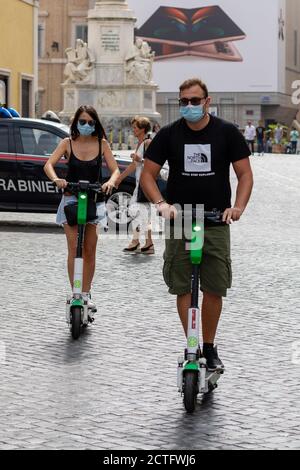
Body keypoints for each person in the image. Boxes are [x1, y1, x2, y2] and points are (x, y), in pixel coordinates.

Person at [140, 78, 253, 371]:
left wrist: (237, 207)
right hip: (180, 218)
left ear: (207, 101)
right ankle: (192, 342)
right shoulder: (168, 135)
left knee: (214, 287)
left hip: (216, 219)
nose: (188, 106)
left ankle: (210, 346)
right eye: (183, 102)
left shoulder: (227, 132)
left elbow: (245, 175)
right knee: (183, 286)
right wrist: (161, 204)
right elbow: (148, 176)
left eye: (194, 101)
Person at [44, 105, 120, 311]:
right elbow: (48, 164)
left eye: (90, 122)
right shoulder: (67, 143)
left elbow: (115, 170)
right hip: (71, 198)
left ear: (95, 124)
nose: (86, 125)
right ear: (76, 122)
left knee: (89, 248)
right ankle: (75, 292)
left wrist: (110, 182)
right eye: (82, 121)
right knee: (73, 249)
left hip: (95, 199)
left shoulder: (101, 143)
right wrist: (56, 179)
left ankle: (86, 294)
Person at [115, 116, 154, 254]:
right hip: (139, 183)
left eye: (135, 127)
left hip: (144, 183)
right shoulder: (140, 143)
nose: (133, 130)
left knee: (136, 211)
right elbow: (133, 166)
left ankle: (138, 242)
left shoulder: (148, 142)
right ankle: (145, 243)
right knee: (139, 213)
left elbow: (153, 163)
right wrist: (120, 178)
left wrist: (140, 159)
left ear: (143, 129)